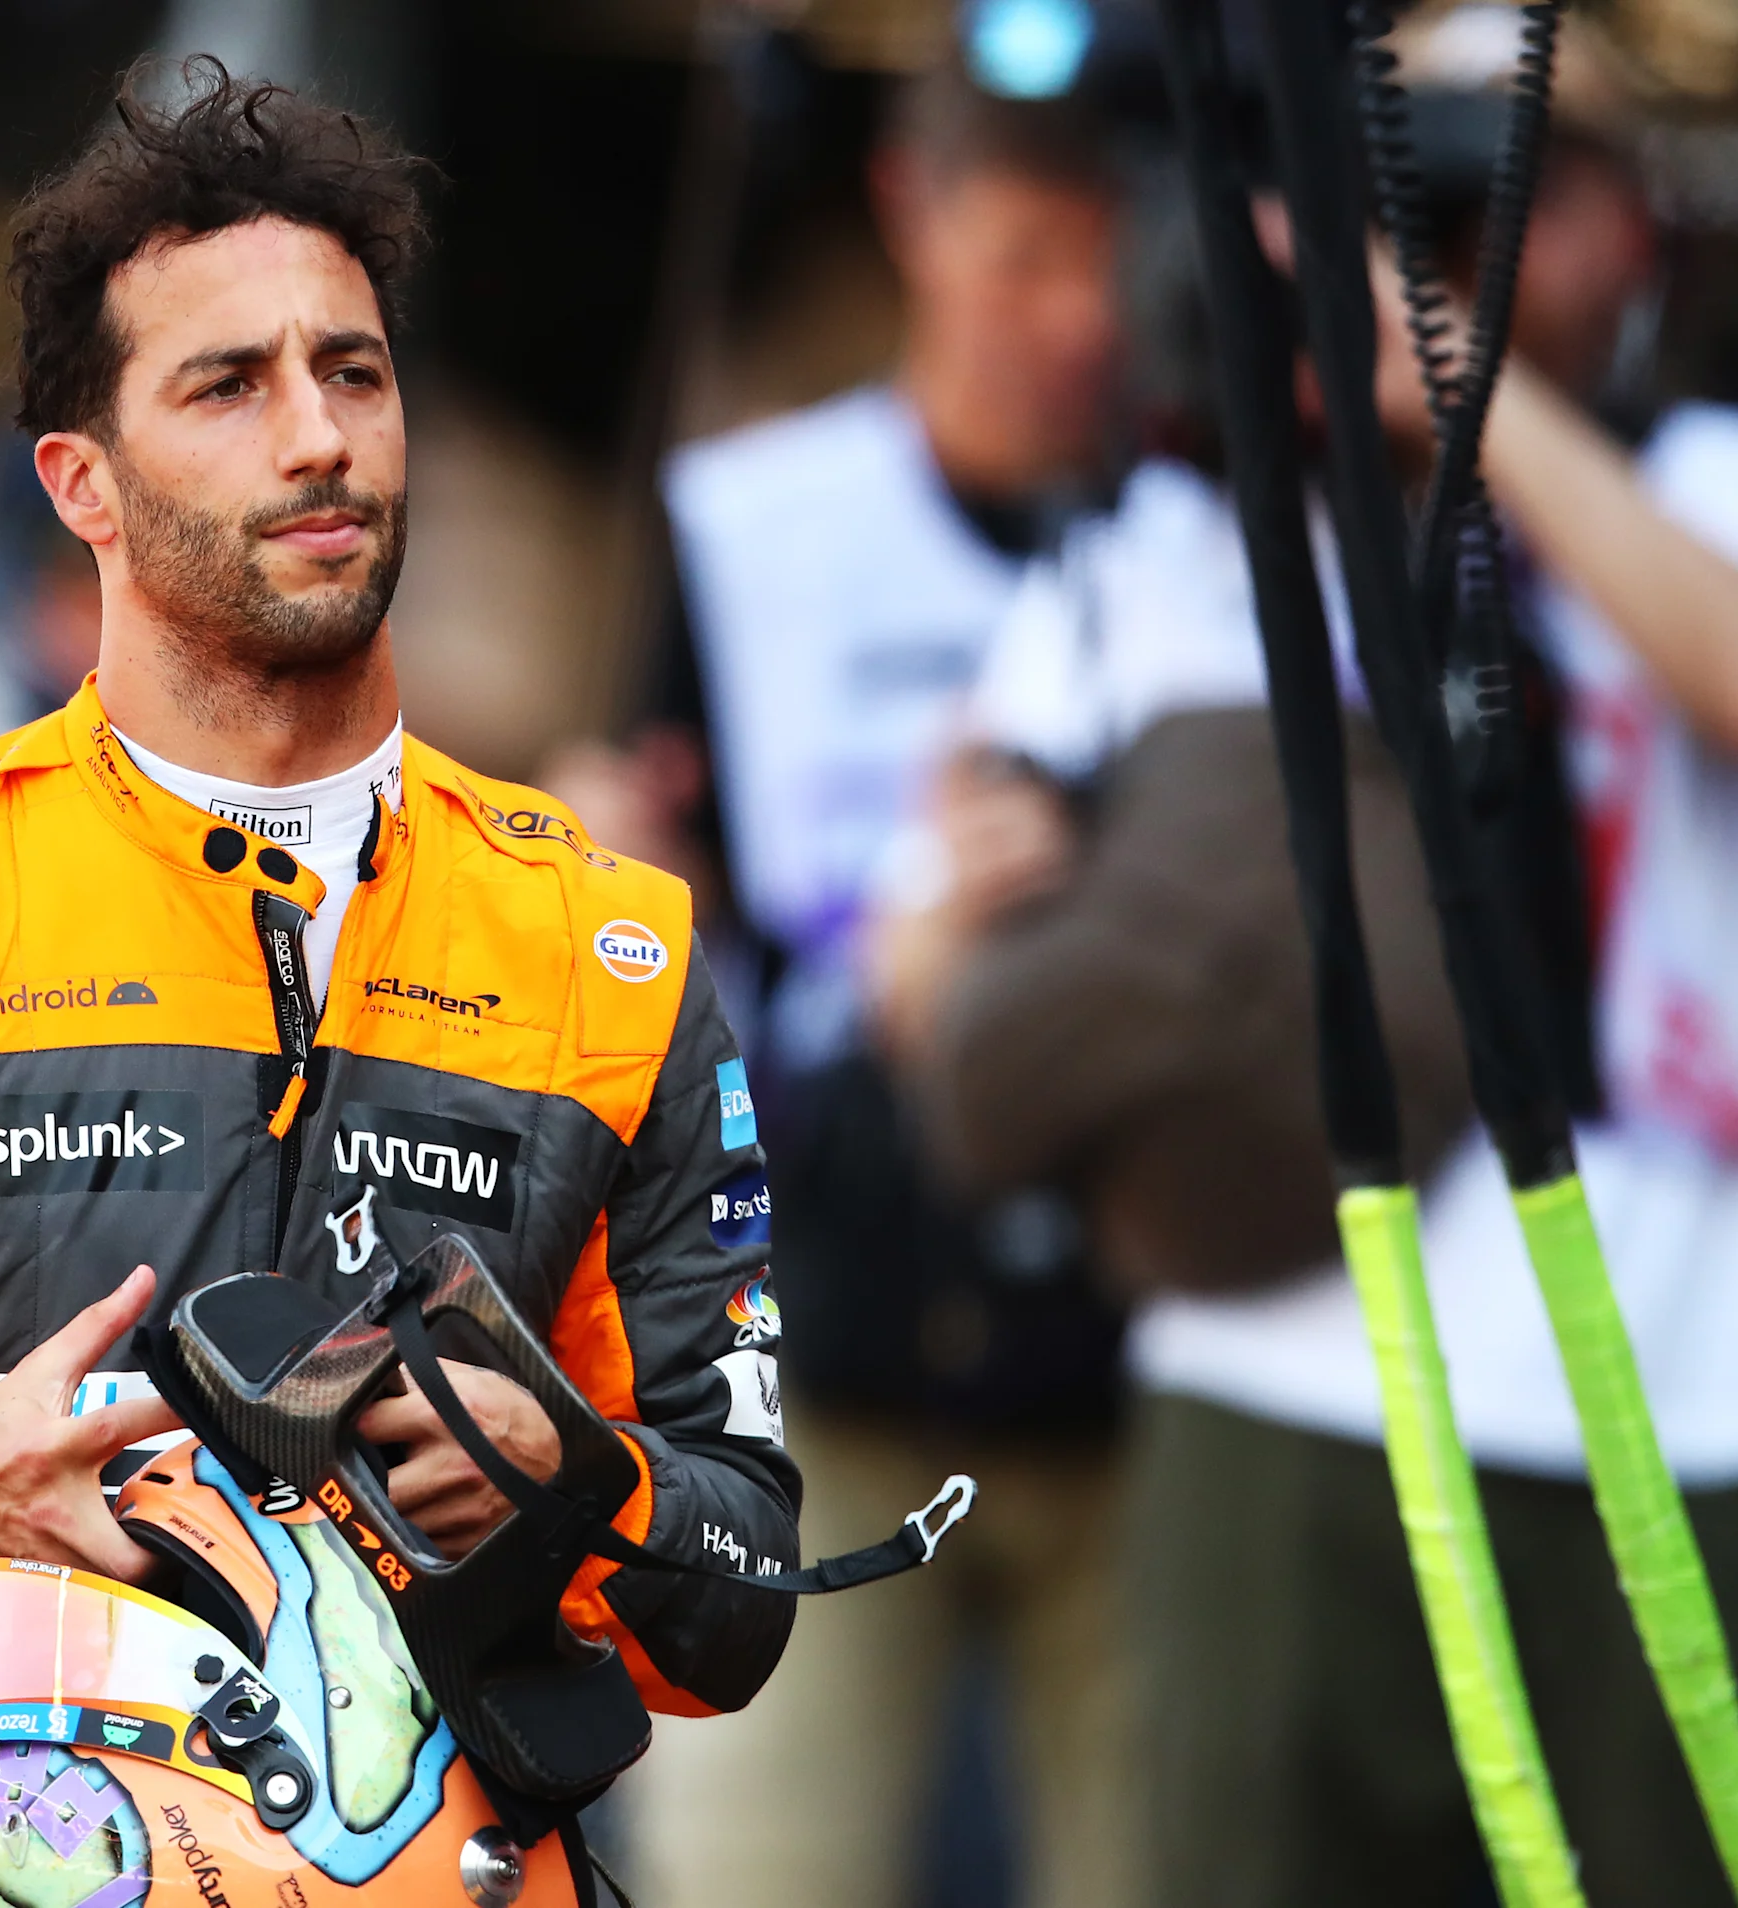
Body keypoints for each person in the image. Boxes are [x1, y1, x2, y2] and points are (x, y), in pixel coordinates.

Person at [0, 60, 800, 1906]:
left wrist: (583, 1478)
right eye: (229, 385)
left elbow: (738, 1595)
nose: (319, 438)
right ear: (82, 486)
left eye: (352, 370)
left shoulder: (614, 949)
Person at [883, 30, 1738, 1902]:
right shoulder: (1188, 532)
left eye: (1515, 190)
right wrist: (948, 926)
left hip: (1689, 1385)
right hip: (1293, 1389)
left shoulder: (1727, 477)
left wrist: (1440, 367)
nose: (1446, 235)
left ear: (1633, 232)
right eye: (1392, 187)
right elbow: (924, 960)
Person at [625, 56, 1140, 1908]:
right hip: (819, 1338)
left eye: (1112, 260)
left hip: (1145, 1344)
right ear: (918, 217)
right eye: (1025, 256)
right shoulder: (746, 524)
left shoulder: (1221, 534)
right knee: (759, 1865)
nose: (1075, 318)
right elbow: (657, 888)